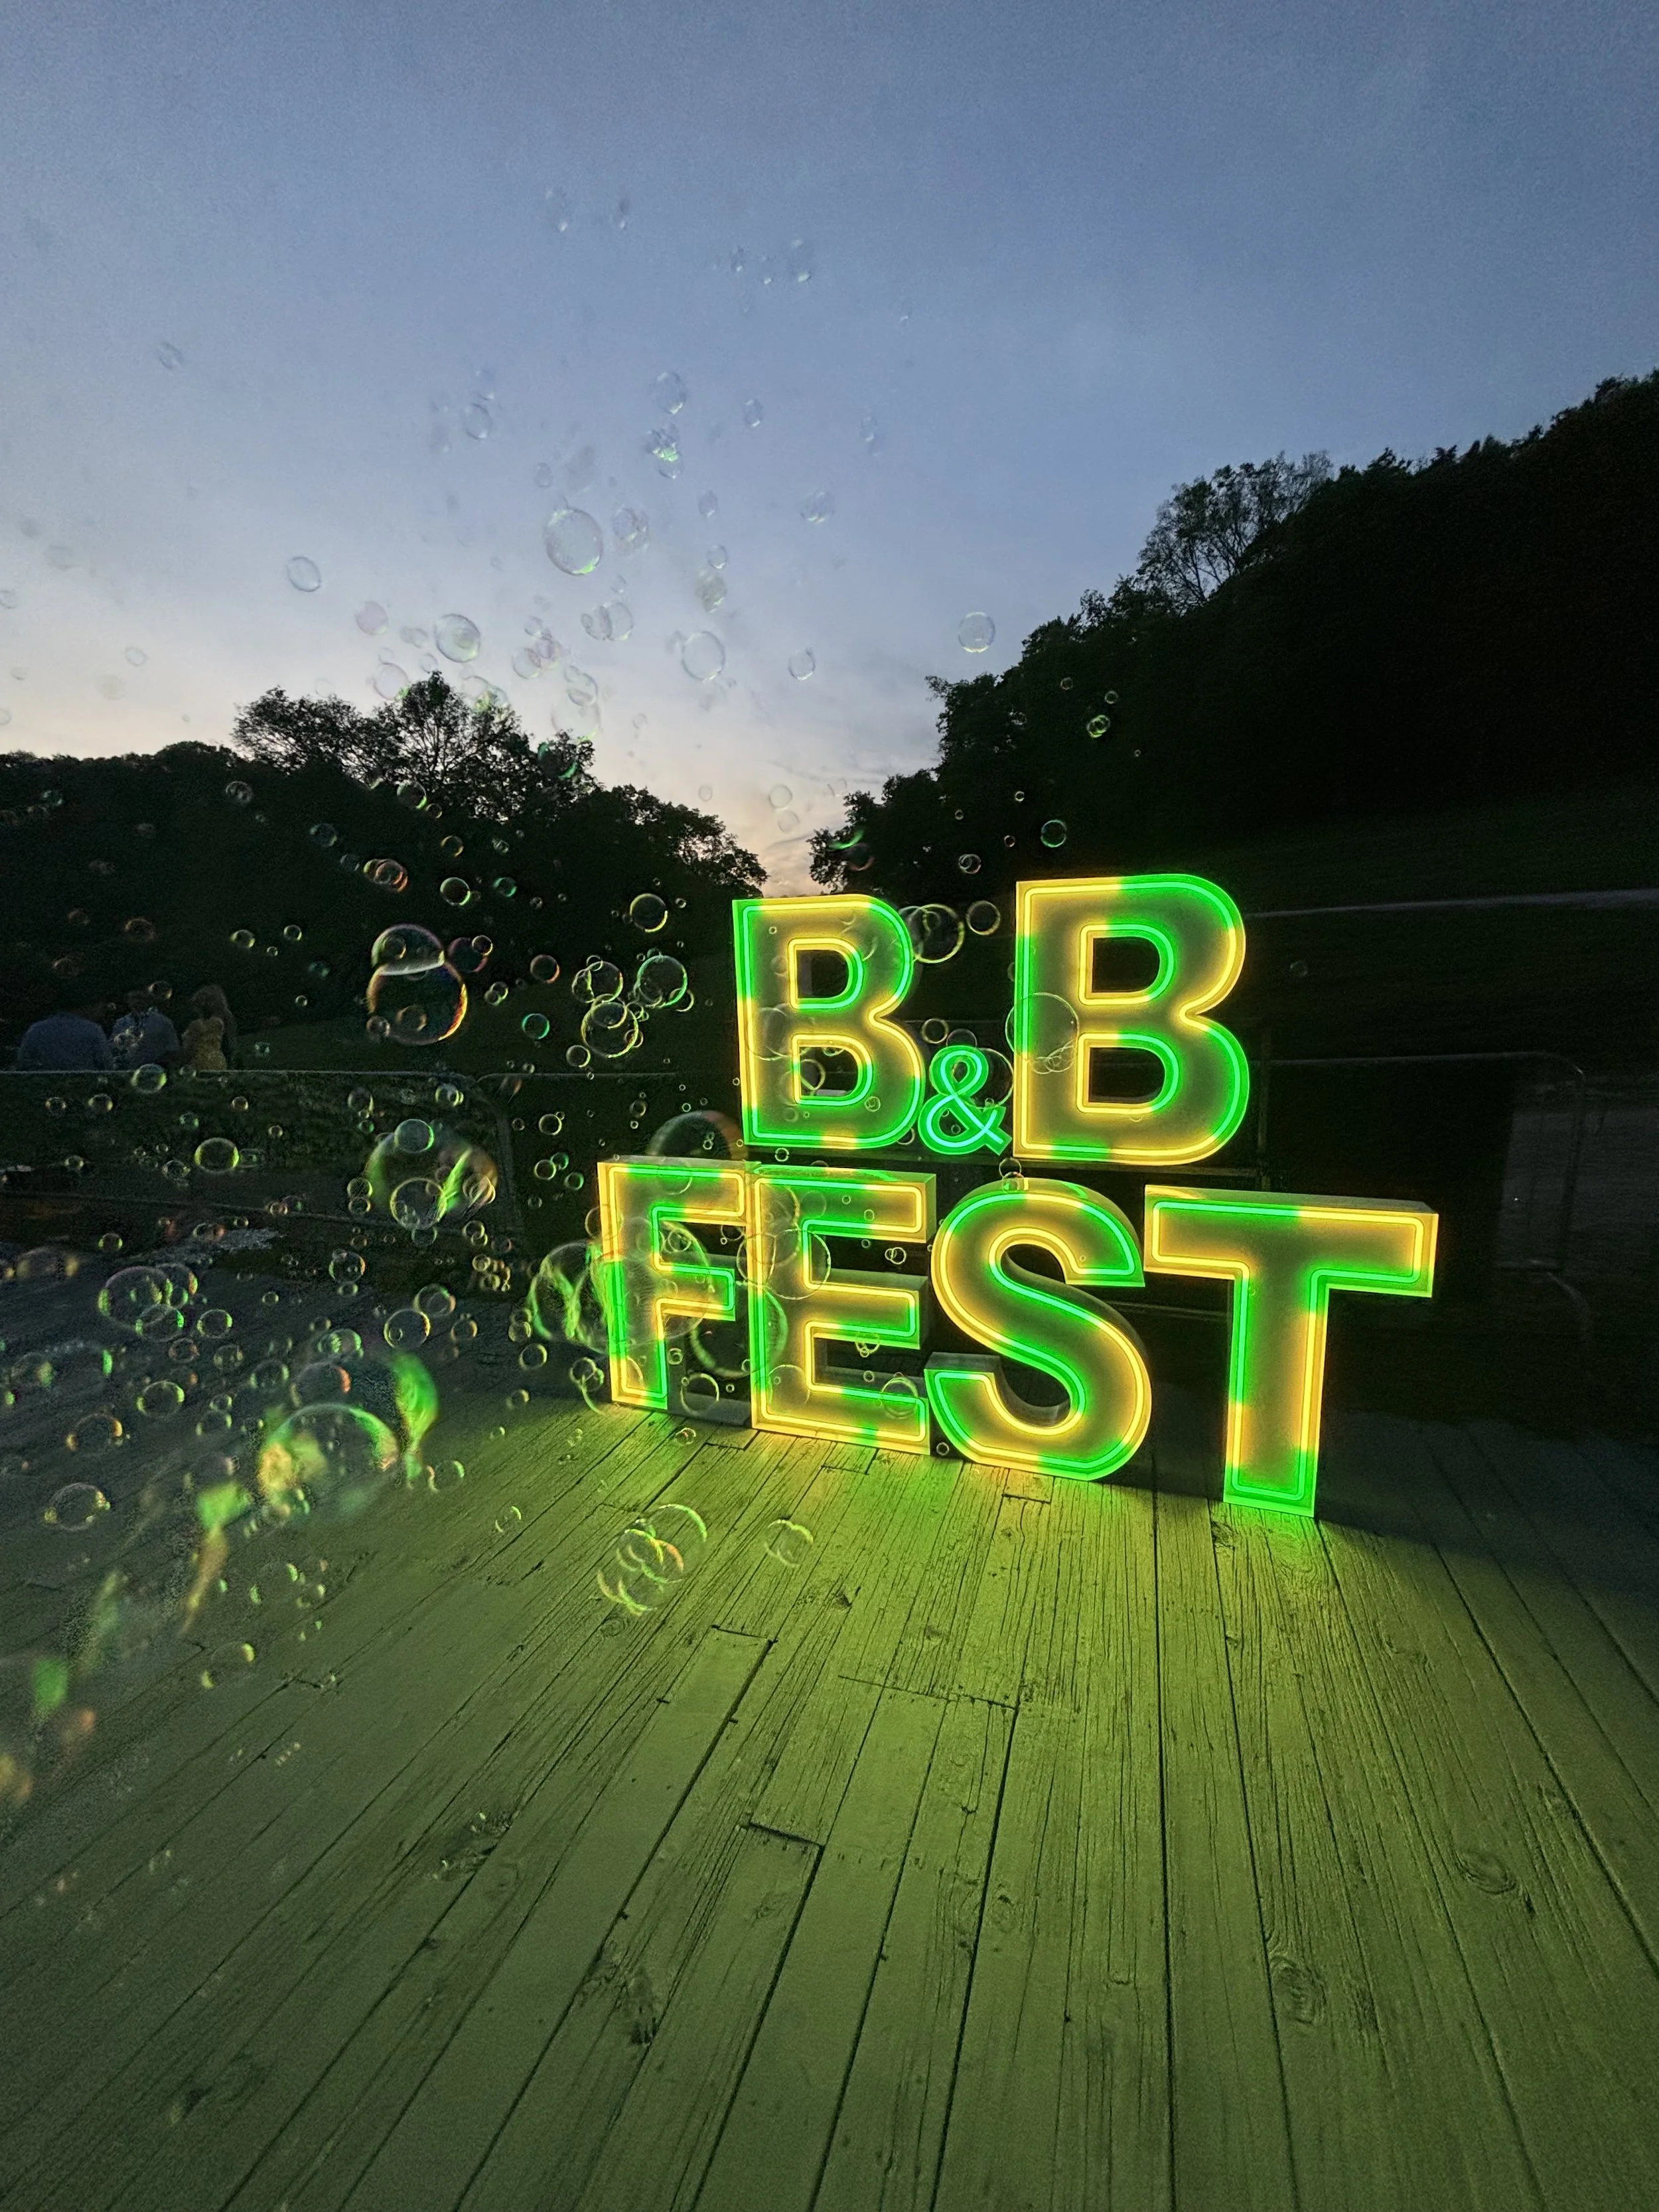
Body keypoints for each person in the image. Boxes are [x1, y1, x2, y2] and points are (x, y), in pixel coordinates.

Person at [14, 993, 114, 1071]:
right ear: (90, 1006)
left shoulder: (36, 1030)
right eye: (101, 1006)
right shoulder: (93, 1031)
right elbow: (106, 1067)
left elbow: (23, 1064)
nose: (102, 1011)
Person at [111, 988, 181, 1071]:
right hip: (128, 1071)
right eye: (134, 998)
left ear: (149, 1000)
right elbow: (113, 1046)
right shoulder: (121, 1023)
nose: (138, 1001)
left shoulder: (163, 1022)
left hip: (155, 1072)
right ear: (128, 1001)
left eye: (141, 998)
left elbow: (173, 1048)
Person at [182, 985, 237, 1070]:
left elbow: (190, 1044)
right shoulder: (226, 1019)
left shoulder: (205, 1024)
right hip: (218, 1060)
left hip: (203, 1061)